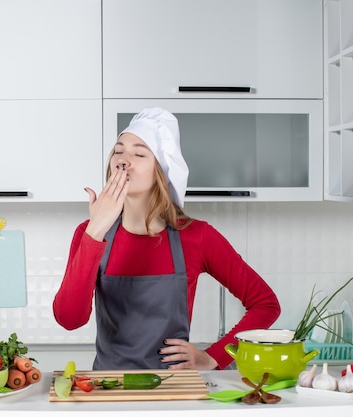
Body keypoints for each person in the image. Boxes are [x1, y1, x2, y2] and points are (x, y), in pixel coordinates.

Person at [53, 107, 280, 370]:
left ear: (161, 171)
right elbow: (69, 319)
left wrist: (214, 356)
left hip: (176, 390)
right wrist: (95, 232)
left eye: (139, 153)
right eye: (118, 150)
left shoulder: (198, 236)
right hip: (109, 391)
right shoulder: (89, 233)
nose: (123, 160)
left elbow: (265, 304)